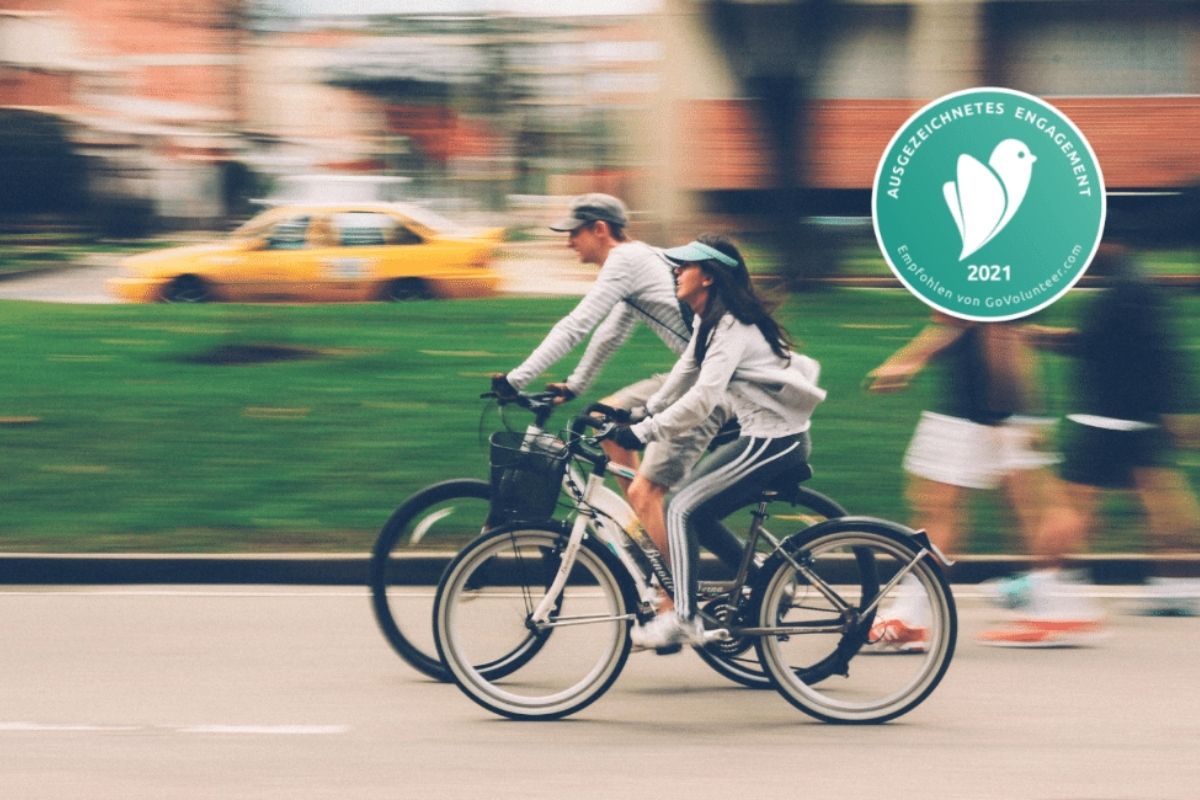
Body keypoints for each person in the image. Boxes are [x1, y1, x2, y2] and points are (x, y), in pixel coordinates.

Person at [490, 193, 742, 568]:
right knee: (607, 419)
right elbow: (611, 334)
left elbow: (577, 324)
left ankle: (671, 589)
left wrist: (516, 379)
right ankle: (647, 531)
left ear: (600, 229)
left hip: (715, 386)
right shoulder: (638, 262)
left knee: (647, 491)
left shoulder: (625, 260)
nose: (568, 242)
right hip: (698, 375)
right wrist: (576, 384)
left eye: (574, 233)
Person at [606, 234, 826, 649]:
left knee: (680, 509)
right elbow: (684, 374)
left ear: (707, 276)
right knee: (697, 513)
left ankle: (684, 618)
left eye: (684, 266)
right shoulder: (711, 322)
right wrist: (641, 411)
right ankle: (762, 580)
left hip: (774, 442)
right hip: (764, 438)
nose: (675, 271)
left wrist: (643, 432)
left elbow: (703, 399)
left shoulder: (732, 326)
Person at [866, 313, 1095, 650]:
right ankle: (911, 617)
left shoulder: (1007, 273)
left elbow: (1006, 331)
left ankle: (1058, 610)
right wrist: (909, 361)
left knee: (1032, 507)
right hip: (969, 406)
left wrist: (1014, 415)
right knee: (934, 506)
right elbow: (956, 322)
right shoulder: (965, 277)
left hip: (1005, 406)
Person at [1018, 243, 1200, 626]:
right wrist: (1172, 411)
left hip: (1105, 418)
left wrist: (1046, 338)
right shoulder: (1136, 285)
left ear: (1111, 244)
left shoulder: (1124, 290)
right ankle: (1177, 587)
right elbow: (1150, 351)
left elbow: (1108, 347)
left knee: (1068, 502)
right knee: (1164, 502)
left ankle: (1043, 587)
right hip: (1137, 417)